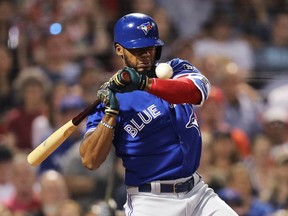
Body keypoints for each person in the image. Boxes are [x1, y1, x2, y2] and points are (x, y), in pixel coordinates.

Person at [79, 13, 238, 216]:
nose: (146, 54)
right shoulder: (109, 100)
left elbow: (196, 92)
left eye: (150, 47)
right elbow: (90, 160)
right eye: (138, 49)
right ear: (119, 49)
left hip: (198, 193)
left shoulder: (176, 69)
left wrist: (145, 84)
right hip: (150, 201)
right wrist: (111, 113)